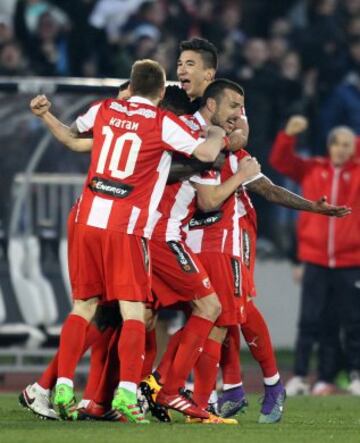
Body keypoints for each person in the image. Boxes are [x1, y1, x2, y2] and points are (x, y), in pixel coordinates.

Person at [29, 58, 227, 423]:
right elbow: (203, 155)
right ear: (161, 90)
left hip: (87, 220)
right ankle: (125, 394)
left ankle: (62, 384)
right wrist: (215, 133)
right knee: (134, 311)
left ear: (132, 86)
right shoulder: (161, 121)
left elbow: (73, 140)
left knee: (83, 306)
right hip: (127, 227)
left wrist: (46, 115)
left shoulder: (104, 109)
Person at [269, 115, 360, 396]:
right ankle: (299, 376)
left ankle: (348, 375)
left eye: (348, 144)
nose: (342, 149)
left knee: (352, 321)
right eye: (338, 144)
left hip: (351, 262)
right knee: (310, 321)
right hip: (316, 259)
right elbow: (280, 161)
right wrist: (287, 134)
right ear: (329, 146)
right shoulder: (312, 169)